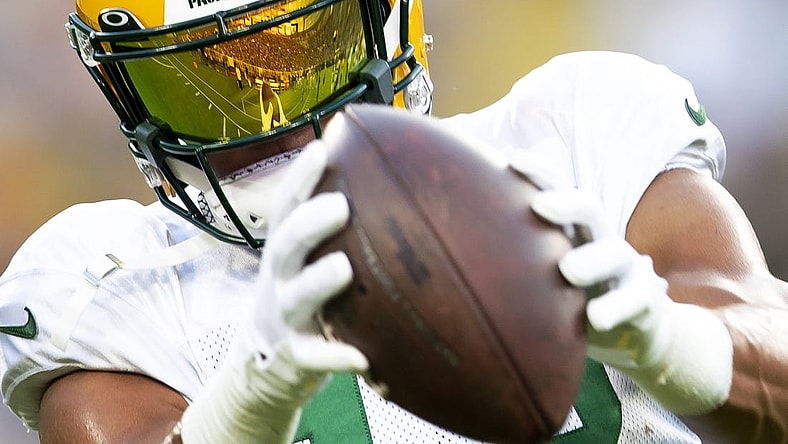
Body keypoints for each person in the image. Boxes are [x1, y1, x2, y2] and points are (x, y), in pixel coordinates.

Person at [0, 0, 786, 443]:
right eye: (197, 94)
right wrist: (246, 402)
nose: (272, 127)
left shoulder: (572, 134)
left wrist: (668, 337)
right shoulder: (114, 289)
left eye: (308, 57)